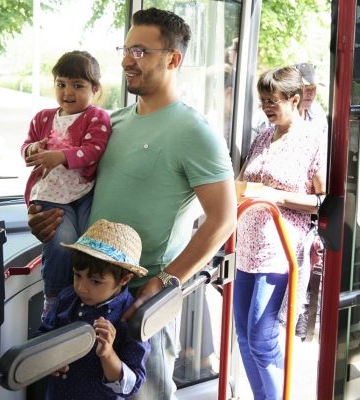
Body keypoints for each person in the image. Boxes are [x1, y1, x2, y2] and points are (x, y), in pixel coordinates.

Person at [27, 7, 236, 399]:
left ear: (173, 59)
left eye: (139, 51)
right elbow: (76, 192)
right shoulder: (113, 123)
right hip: (87, 294)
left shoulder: (195, 132)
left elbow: (223, 220)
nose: (125, 60)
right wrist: (45, 220)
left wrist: (165, 281)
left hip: (141, 302)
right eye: (125, 49)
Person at [233, 66, 326, 399]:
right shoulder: (262, 137)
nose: (267, 108)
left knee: (261, 337)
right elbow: (245, 182)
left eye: (273, 101)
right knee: (243, 335)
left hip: (280, 249)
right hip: (247, 246)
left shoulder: (313, 140)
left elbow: (323, 199)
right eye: (263, 101)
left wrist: (278, 196)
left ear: (295, 99)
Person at [21, 50, 111, 318]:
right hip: (50, 193)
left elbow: (94, 149)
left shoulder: (96, 117)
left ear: (95, 89)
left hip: (82, 192)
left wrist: (60, 156)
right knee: (62, 240)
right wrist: (33, 149)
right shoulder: (42, 118)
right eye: (61, 84)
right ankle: (54, 299)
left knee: (89, 242)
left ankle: (84, 301)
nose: (67, 92)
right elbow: (26, 147)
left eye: (78, 85)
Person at [37, 219, 150, 399]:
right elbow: (42, 337)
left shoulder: (132, 318)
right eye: (77, 275)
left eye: (95, 281)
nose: (81, 288)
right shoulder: (67, 298)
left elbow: (131, 385)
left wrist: (107, 354)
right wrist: (49, 360)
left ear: (124, 279)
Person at [294, 62, 328, 139]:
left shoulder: (318, 112)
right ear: (293, 89)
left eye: (314, 88)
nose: (311, 93)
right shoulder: (279, 113)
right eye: (306, 88)